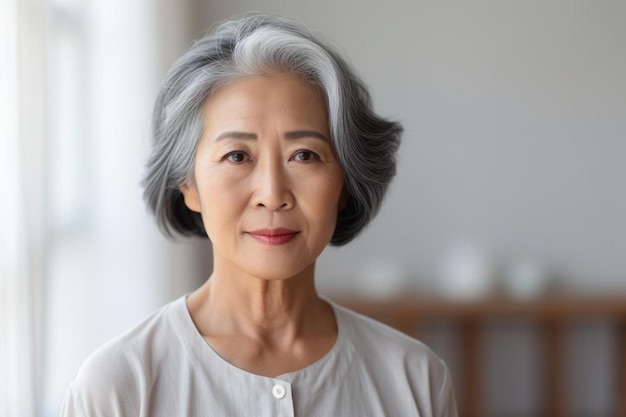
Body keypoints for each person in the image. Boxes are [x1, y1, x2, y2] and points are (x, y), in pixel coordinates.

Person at [61, 13, 458, 417]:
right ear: (188, 185)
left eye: (304, 155)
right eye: (237, 156)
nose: (272, 195)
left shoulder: (415, 380)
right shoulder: (117, 388)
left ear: (346, 181)